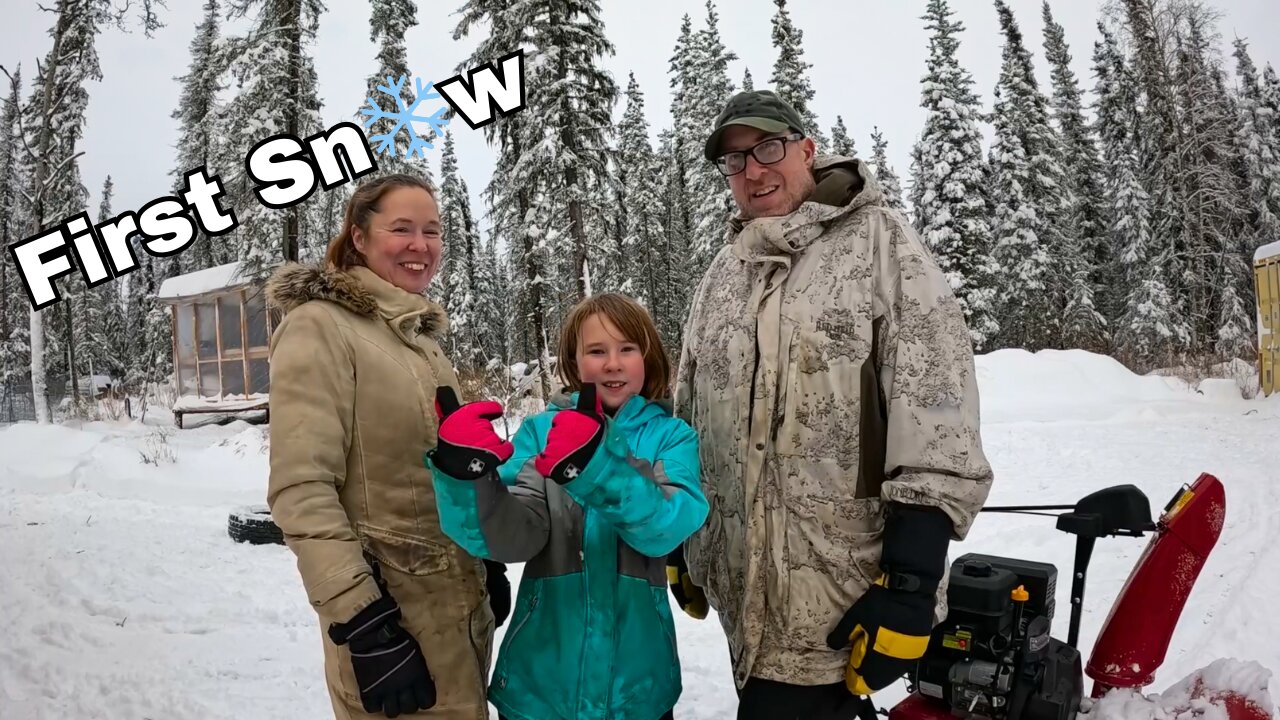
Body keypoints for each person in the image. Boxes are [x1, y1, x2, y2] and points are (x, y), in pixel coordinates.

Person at [668, 90, 995, 719]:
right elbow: (693, 413)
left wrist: (911, 581)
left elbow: (935, 404)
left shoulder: (880, 244)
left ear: (808, 150)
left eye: (766, 148)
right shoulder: (722, 274)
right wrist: (687, 538)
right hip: (747, 598)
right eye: (734, 161)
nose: (752, 171)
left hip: (837, 594)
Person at [265, 173, 508, 720]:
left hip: (455, 619)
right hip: (392, 632)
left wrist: (484, 558)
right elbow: (301, 490)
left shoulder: (418, 340)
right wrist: (364, 625)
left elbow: (436, 474)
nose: (420, 245)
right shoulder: (320, 327)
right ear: (359, 238)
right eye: (401, 229)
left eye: (433, 231)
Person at [425, 293, 710, 720]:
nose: (612, 363)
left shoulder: (671, 438)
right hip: (540, 686)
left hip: (636, 689)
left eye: (627, 349)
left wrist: (596, 467)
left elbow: (667, 527)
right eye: (597, 351)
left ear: (648, 358)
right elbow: (513, 537)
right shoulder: (541, 433)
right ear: (574, 363)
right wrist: (466, 478)